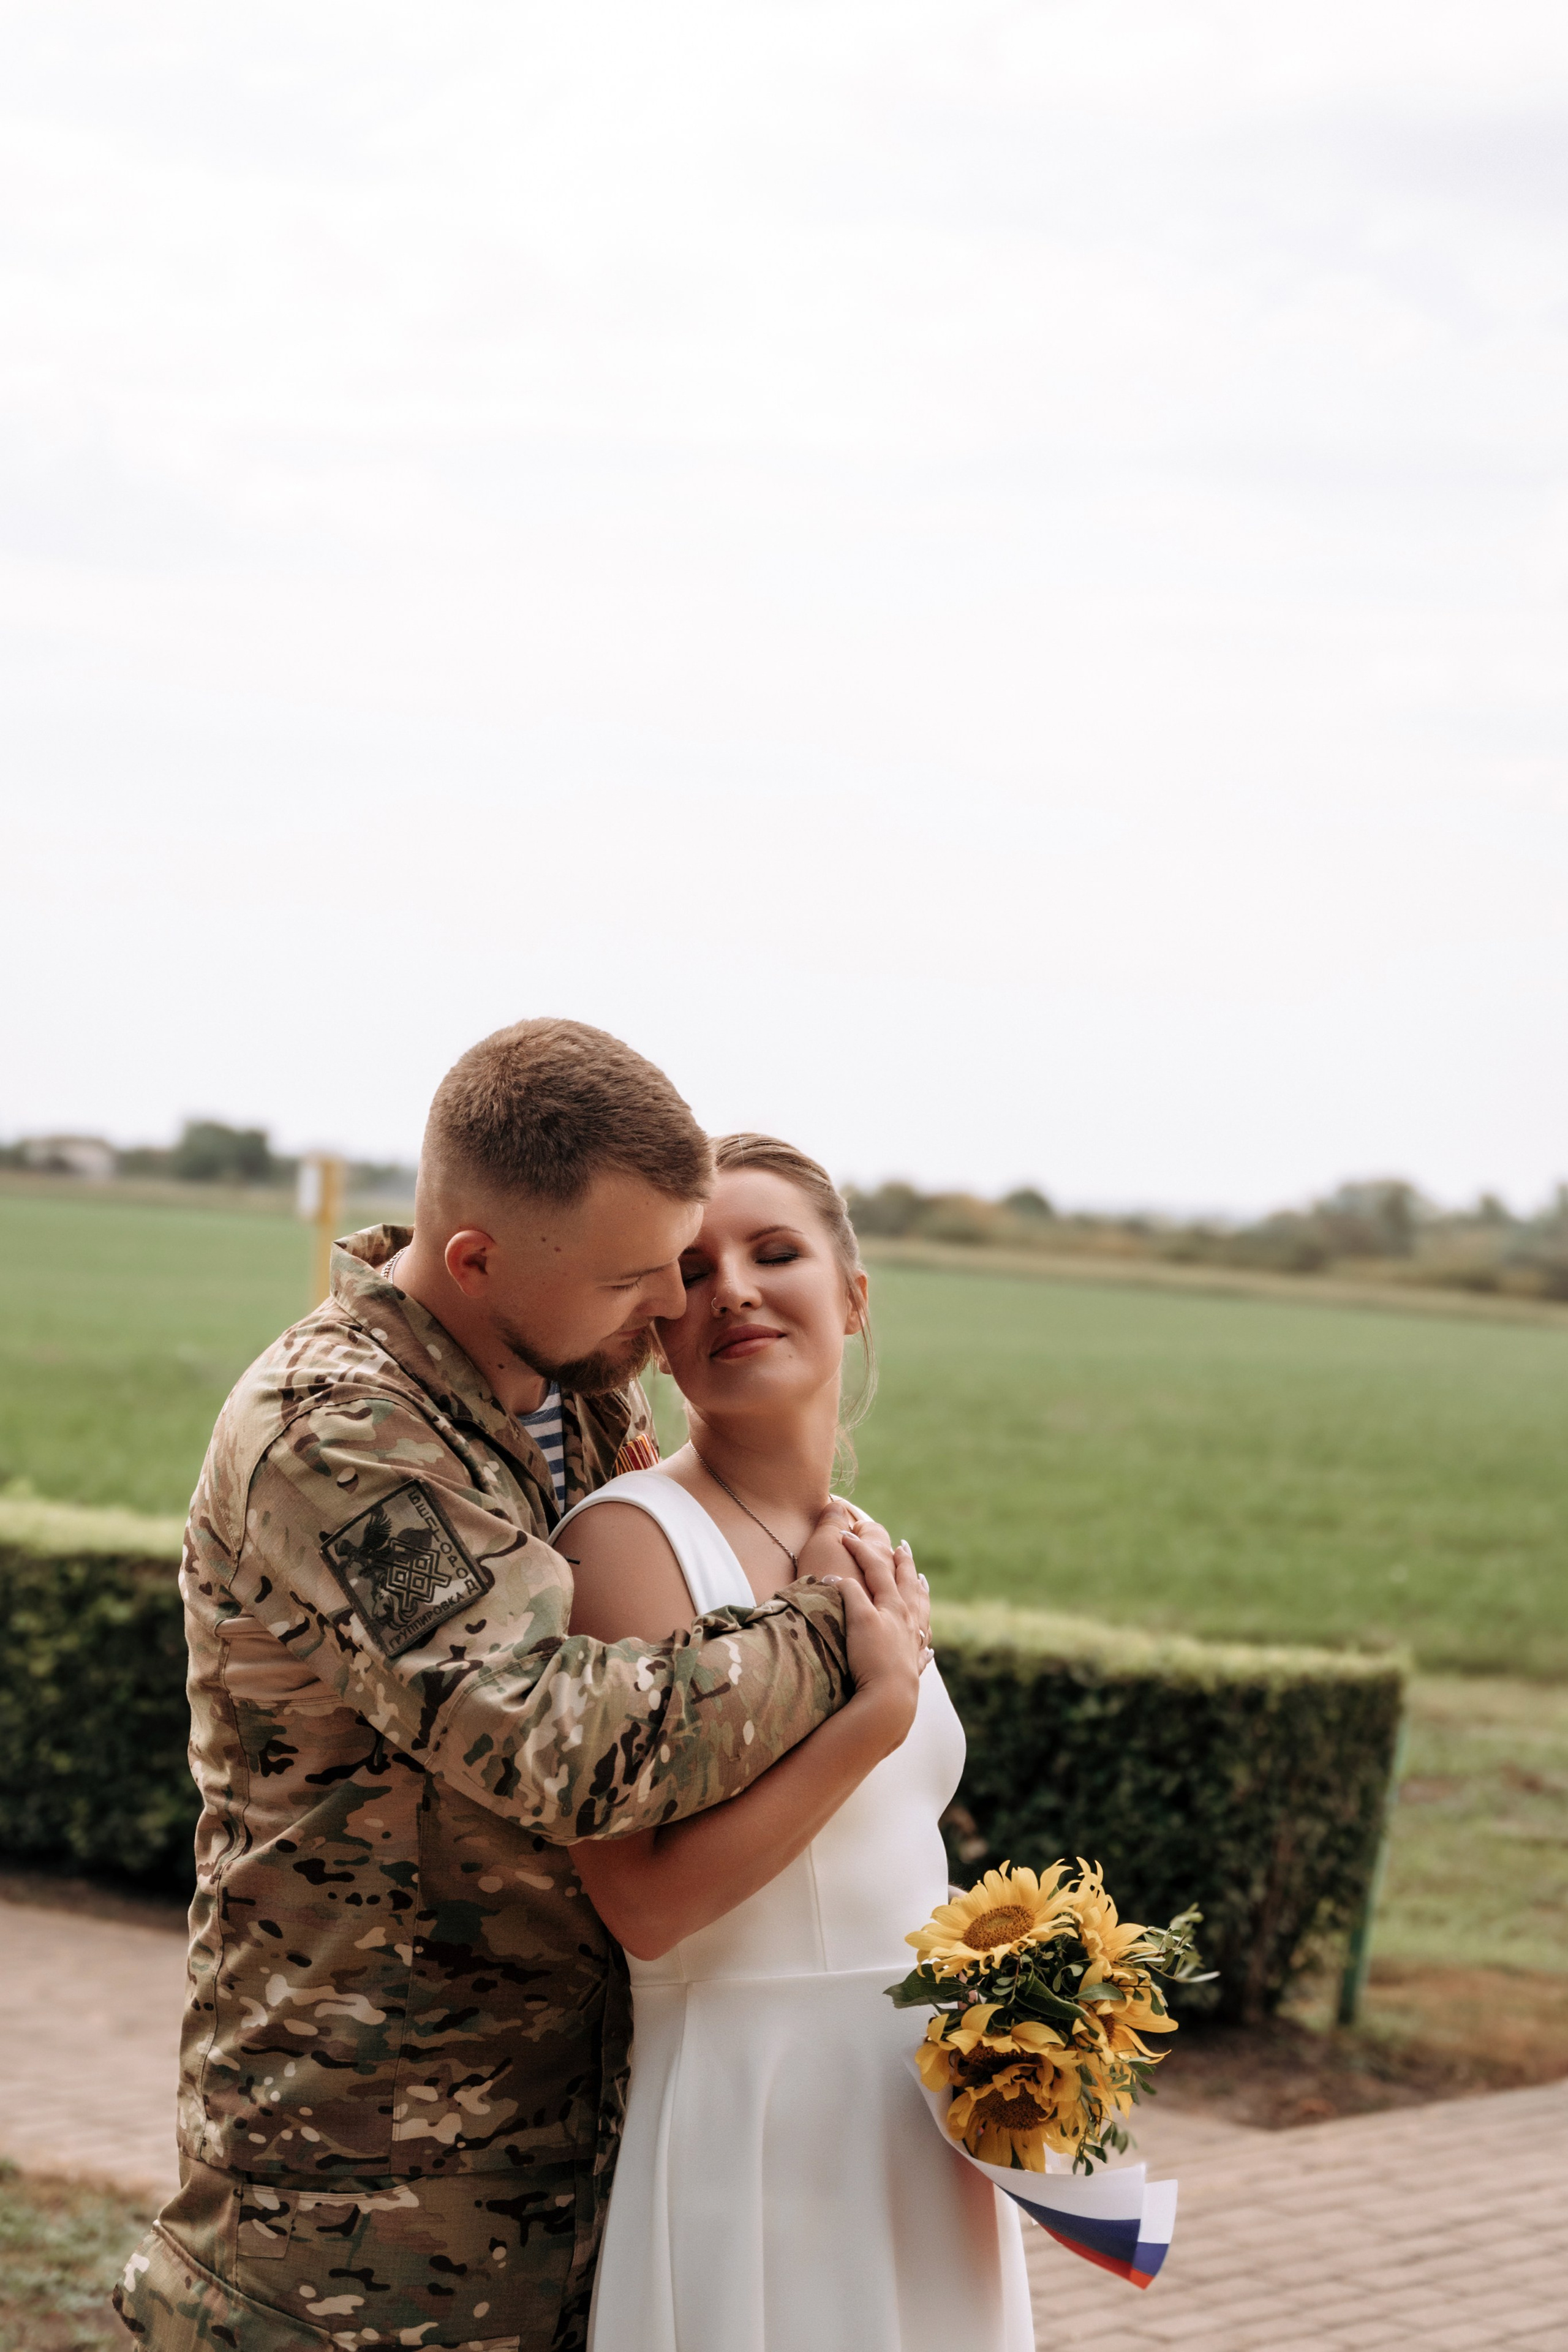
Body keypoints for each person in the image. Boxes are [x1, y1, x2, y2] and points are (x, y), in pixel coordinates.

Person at [115, 1022, 928, 2352]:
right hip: (363, 2195)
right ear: (478, 1261)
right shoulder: (338, 1432)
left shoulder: (578, 1392)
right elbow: (554, 1741)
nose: (669, 1310)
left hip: (567, 2152)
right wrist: (835, 1634)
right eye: (633, 1279)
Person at [559, 1133, 1033, 2352]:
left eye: (775, 1252)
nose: (734, 1288)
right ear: (659, 1327)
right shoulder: (626, 1543)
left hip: (921, 2117)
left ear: (853, 1296)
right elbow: (648, 1912)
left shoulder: (864, 1538)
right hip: (750, 2114)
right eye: (696, 1268)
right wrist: (871, 1715)